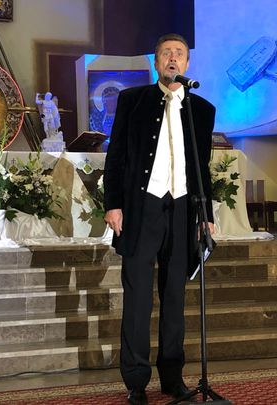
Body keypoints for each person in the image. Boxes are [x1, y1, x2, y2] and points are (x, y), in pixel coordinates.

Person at [103, 33, 216, 405]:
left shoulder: (202, 109)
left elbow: (201, 167)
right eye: (166, 53)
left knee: (174, 298)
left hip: (182, 209)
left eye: (179, 53)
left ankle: (172, 377)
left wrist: (205, 215)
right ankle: (136, 381)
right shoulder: (133, 100)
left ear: (187, 63)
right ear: (156, 62)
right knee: (138, 298)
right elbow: (116, 157)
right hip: (142, 208)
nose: (172, 58)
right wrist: (113, 204)